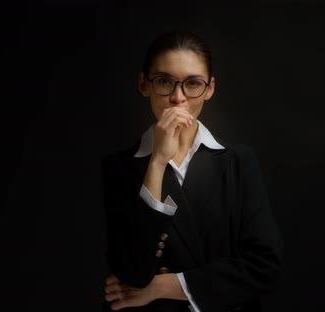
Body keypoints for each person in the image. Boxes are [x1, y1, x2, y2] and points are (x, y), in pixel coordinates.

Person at [101, 30, 282, 312]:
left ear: (209, 89)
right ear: (143, 84)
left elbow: (265, 268)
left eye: (192, 83)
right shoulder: (119, 167)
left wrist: (163, 286)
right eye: (164, 81)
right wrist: (157, 163)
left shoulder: (238, 161)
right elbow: (132, 275)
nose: (178, 97)